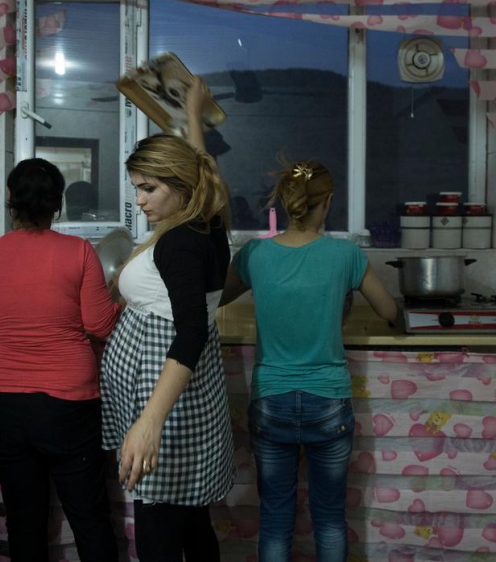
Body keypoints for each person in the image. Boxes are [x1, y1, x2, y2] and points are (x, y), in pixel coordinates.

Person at [221, 159, 397, 562]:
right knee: (331, 518)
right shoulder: (344, 255)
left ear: (285, 201)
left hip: (271, 400)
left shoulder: (255, 254)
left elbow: (218, 297)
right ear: (328, 202)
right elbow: (388, 310)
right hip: (328, 401)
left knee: (276, 518)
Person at [0, 158, 120, 562]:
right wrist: (120, 294)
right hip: (70, 404)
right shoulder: (78, 251)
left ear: (12, 202)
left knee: (24, 520)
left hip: (7, 405)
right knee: (89, 517)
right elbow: (100, 324)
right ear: (56, 204)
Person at [100, 77, 234, 562]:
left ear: (180, 185)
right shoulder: (206, 220)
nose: (139, 200)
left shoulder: (180, 241)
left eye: (149, 188)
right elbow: (208, 171)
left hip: (166, 400)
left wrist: (149, 422)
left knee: (159, 528)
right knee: (191, 521)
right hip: (174, 395)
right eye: (137, 188)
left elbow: (192, 330)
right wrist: (193, 116)